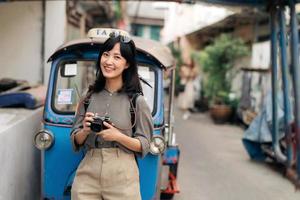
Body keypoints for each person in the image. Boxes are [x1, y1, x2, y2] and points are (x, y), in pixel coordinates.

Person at [70, 31, 153, 200]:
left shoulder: (137, 101)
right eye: (106, 55)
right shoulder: (88, 96)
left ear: (127, 64)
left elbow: (145, 144)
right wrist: (85, 131)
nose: (108, 61)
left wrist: (118, 136)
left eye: (117, 57)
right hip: (88, 170)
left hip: (122, 174)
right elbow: (75, 139)